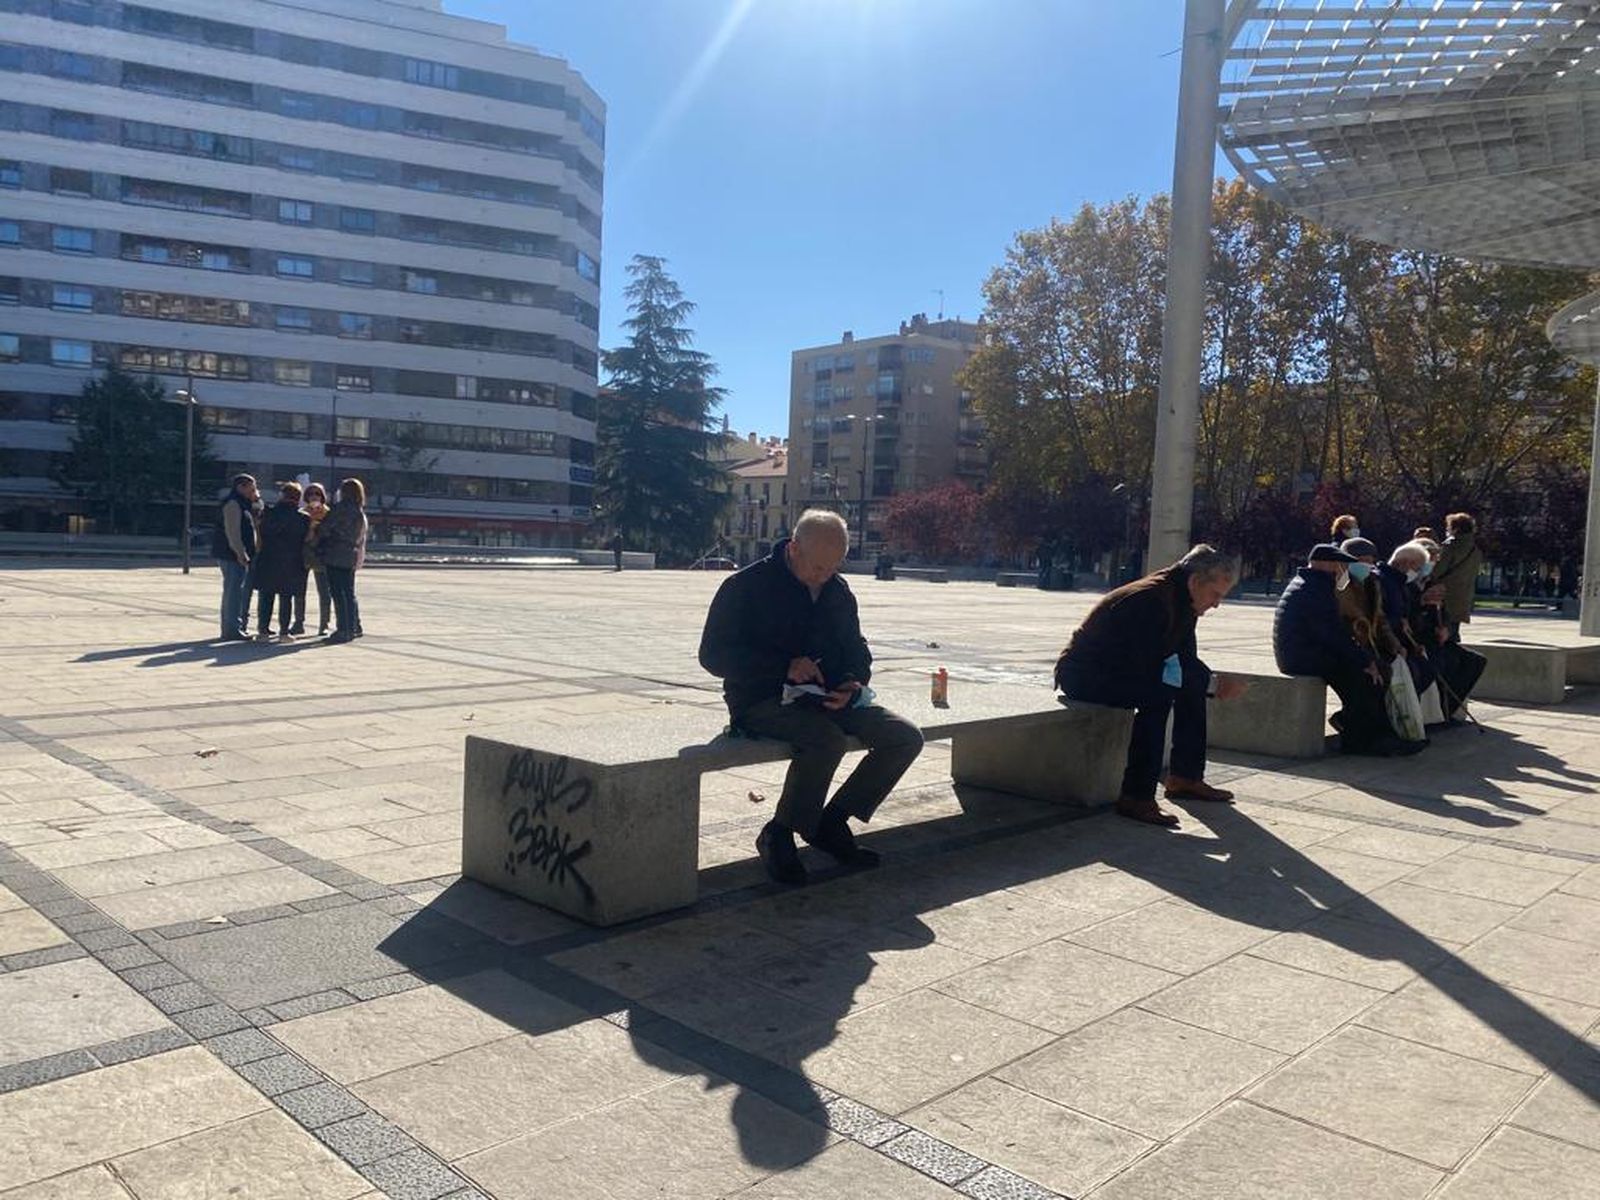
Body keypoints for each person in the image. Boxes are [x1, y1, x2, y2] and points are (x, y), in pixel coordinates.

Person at [698, 509, 924, 884]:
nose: (823, 576)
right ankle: (780, 832)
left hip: (825, 695)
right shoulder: (745, 586)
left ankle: (830, 823)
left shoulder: (837, 590)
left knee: (904, 737)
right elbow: (714, 656)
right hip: (759, 697)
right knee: (825, 740)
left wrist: (852, 682)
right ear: (793, 548)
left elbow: (856, 647)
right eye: (817, 567)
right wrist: (784, 666)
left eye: (832, 568)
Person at [1054, 545, 1249, 828]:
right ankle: (1136, 795)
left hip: (1120, 668)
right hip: (1085, 674)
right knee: (1156, 696)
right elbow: (1149, 667)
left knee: (1190, 688)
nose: (1217, 604)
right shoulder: (1149, 600)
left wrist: (1210, 683)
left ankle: (1185, 777)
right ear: (1195, 582)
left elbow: (1184, 660)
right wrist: (1212, 684)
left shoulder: (1183, 599)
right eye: (1216, 595)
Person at [1275, 544, 1422, 756]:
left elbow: (1334, 633)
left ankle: (1371, 735)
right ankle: (1368, 740)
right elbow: (1332, 635)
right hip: (1301, 657)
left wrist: (1365, 659)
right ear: (1327, 564)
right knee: (1364, 677)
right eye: (1341, 564)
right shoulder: (1314, 589)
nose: (1343, 570)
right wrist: (1364, 661)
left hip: (1306, 652)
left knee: (1373, 672)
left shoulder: (1314, 584)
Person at [253, 481, 310, 641]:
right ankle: (284, 632)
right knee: (286, 598)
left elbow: (261, 532)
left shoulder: (268, 513)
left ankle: (263, 630)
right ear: (298, 498)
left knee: (266, 596)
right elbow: (306, 539)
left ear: (282, 495)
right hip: (292, 561)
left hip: (268, 558)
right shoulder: (303, 518)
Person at [316, 478, 368, 644]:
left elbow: (325, 528)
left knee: (338, 593)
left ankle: (342, 630)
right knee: (349, 592)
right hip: (350, 554)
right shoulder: (359, 511)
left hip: (335, 553)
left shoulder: (339, 509)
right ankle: (352, 627)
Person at [210, 473, 258, 642]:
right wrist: (240, 553)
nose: (254, 491)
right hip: (231, 555)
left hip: (232, 554)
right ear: (240, 487)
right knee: (234, 592)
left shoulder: (242, 504)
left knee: (234, 591)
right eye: (251, 488)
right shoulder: (233, 504)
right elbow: (233, 532)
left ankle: (231, 627)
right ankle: (231, 629)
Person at [295, 482, 332, 637]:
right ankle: (298, 623)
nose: (314, 497)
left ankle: (324, 624)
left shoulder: (328, 514)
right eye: (311, 494)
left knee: (324, 592)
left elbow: (331, 535)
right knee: (298, 591)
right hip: (303, 554)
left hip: (321, 556)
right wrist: (310, 526)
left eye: (317, 494)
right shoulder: (302, 513)